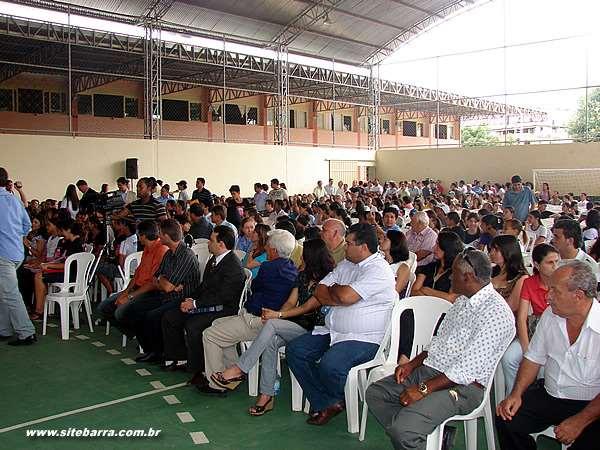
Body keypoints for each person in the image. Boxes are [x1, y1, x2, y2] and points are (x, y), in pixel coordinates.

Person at [366, 248, 515, 450]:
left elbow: (464, 371)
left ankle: (411, 431)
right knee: (376, 393)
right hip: (431, 370)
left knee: (403, 431)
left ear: (468, 277)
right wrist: (412, 364)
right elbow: (438, 342)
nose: (450, 278)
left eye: (453, 274)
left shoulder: (496, 314)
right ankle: (430, 437)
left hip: (463, 387)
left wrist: (423, 389)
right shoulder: (462, 301)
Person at [286, 223, 398, 425]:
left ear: (363, 247)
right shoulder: (347, 264)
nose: (344, 248)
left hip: (365, 338)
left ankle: (329, 401)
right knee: (296, 350)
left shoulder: (378, 270)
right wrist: (338, 294)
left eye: (348, 244)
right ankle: (329, 402)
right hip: (333, 332)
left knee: (331, 365)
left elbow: (345, 297)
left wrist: (337, 292)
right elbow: (320, 290)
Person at [212, 238, 335, 415]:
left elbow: (306, 307)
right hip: (295, 325)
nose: (299, 258)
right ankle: (266, 395)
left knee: (271, 325)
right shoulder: (302, 276)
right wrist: (276, 314)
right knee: (270, 339)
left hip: (314, 330)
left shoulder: (327, 280)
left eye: (303, 255)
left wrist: (277, 316)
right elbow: (291, 302)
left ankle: (240, 368)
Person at [496, 261, 600, 450]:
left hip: (591, 406)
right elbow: (533, 358)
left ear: (578, 296)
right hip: (550, 394)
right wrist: (516, 393)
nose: (547, 297)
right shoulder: (551, 316)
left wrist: (580, 421)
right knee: (506, 419)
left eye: (555, 291)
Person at [199, 229, 298, 394]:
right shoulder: (292, 268)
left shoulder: (268, 268)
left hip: (257, 320)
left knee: (209, 335)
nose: (265, 247)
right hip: (266, 319)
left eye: (267, 245)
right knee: (217, 324)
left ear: (273, 250)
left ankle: (217, 384)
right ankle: (232, 372)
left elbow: (255, 286)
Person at [161, 226, 245, 374]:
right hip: (207, 303)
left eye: (211, 240)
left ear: (221, 244)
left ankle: (198, 369)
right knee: (171, 316)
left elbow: (222, 297)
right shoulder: (214, 259)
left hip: (223, 309)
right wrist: (190, 298)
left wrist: (194, 304)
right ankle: (180, 358)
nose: (208, 243)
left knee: (193, 325)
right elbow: (204, 286)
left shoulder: (233, 266)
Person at [118, 219, 201, 363]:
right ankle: (150, 349)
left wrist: (164, 282)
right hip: (166, 295)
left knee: (152, 316)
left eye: (160, 234)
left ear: (167, 237)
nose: (158, 236)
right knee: (134, 310)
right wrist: (165, 281)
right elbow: (156, 278)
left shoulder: (185, 255)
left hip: (181, 298)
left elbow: (167, 286)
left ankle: (159, 352)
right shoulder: (169, 254)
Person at [501, 243, 559, 396]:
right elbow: (521, 319)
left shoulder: (562, 284)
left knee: (543, 367)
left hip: (556, 333)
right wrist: (527, 349)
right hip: (534, 331)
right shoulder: (529, 283)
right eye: (550, 262)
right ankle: (512, 395)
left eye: (557, 262)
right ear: (537, 265)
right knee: (509, 358)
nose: (555, 266)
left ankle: (539, 401)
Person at [96, 220, 168, 329]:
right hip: (137, 288)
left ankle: (137, 330)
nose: (138, 237)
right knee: (103, 307)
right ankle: (134, 330)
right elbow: (137, 274)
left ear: (143, 236)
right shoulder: (147, 248)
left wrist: (129, 296)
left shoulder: (161, 249)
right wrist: (125, 292)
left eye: (139, 235)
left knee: (120, 313)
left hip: (151, 292)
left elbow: (153, 283)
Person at [0, 167, 36, 345]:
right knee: (4, 292)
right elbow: (27, 226)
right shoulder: (15, 201)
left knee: (10, 293)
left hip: (3, 255)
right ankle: (4, 329)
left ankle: (26, 332)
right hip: (16, 252)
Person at [31, 219, 84, 321]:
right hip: (69, 273)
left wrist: (49, 266)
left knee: (39, 276)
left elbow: (67, 265)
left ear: (68, 230)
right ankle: (40, 306)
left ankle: (39, 310)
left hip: (70, 275)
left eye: (62, 231)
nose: (62, 234)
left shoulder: (75, 244)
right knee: (39, 273)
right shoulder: (72, 242)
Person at [411, 231, 463, 303]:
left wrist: (426, 290)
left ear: (447, 247)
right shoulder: (430, 267)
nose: (433, 247)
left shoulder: (457, 271)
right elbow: (414, 291)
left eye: (438, 244)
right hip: (421, 307)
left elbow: (451, 298)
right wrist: (433, 300)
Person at [489, 235, 529, 312]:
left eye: (496, 250)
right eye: (491, 249)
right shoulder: (492, 271)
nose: (491, 253)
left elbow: (512, 306)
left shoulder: (521, 277)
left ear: (508, 252)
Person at [380, 230, 414, 295]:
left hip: (387, 299)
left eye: (385, 239)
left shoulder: (403, 267)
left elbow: (395, 292)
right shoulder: (380, 260)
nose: (380, 241)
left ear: (394, 243)